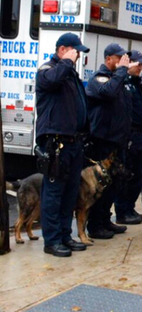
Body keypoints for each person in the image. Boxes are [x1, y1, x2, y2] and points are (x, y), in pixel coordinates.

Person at [35, 33, 90, 257]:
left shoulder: (69, 74)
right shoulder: (48, 69)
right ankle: (52, 240)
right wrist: (66, 61)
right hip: (56, 143)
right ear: (63, 49)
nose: (78, 56)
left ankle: (65, 236)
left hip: (73, 141)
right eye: (75, 51)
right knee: (54, 193)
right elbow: (50, 81)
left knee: (70, 193)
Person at [85, 43, 133, 239]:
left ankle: (105, 219)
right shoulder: (99, 78)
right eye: (119, 58)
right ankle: (95, 225)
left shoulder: (118, 79)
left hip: (117, 141)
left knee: (113, 184)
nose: (123, 62)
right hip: (103, 141)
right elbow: (108, 92)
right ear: (109, 59)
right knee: (100, 186)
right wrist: (122, 71)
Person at [114, 50, 142, 225]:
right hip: (130, 135)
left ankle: (130, 207)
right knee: (126, 175)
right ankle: (122, 211)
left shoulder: (138, 84)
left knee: (138, 174)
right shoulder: (125, 83)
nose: (140, 68)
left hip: (140, 134)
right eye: (138, 64)